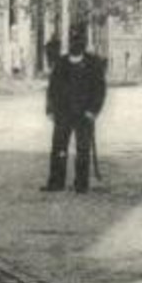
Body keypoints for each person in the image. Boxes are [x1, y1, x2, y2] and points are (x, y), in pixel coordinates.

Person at [42, 25, 106, 194]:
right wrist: (50, 109)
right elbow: (52, 88)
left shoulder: (93, 63)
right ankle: (56, 182)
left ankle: (81, 184)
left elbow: (99, 89)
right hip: (63, 113)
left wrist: (93, 110)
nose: (75, 44)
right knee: (59, 147)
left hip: (84, 114)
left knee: (83, 149)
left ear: (84, 43)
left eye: (79, 40)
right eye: (72, 40)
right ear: (69, 42)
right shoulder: (61, 63)